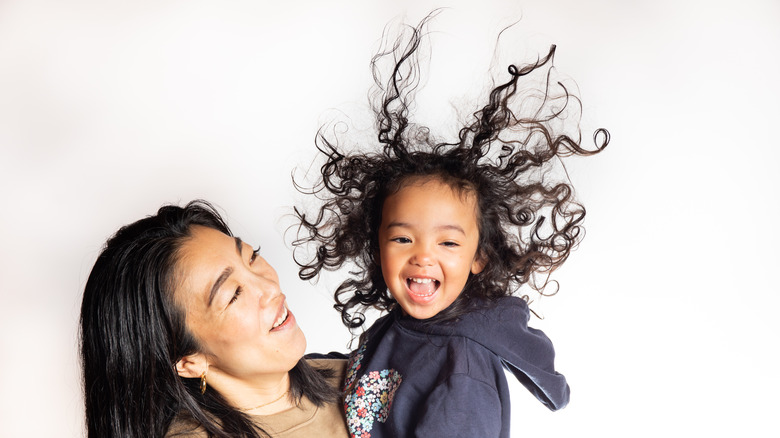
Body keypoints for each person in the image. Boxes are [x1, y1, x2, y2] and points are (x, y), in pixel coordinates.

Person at [293, 13, 609, 438]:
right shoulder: (404, 325)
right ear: (377, 246)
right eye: (402, 238)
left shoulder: (462, 369)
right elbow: (363, 379)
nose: (423, 255)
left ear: (480, 257)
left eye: (448, 243)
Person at [79, 200, 349, 438]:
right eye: (233, 294)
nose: (269, 288)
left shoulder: (362, 375)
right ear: (188, 362)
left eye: (252, 257)